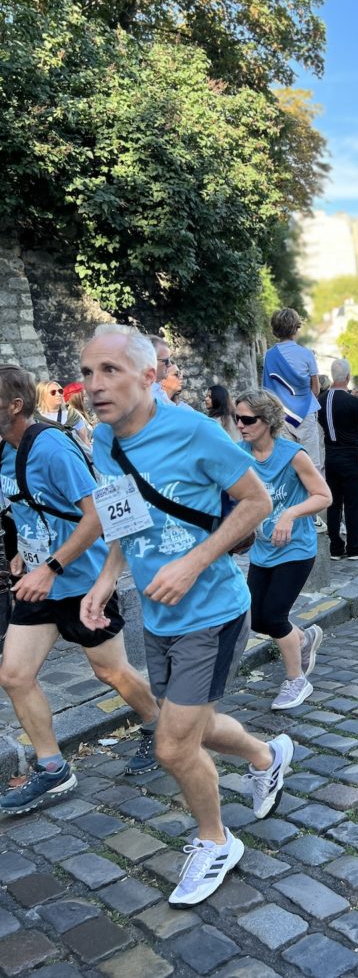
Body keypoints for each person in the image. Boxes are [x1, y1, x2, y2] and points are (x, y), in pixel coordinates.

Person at [79, 325, 292, 908]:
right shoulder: (102, 439)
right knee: (191, 727)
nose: (94, 385)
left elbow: (257, 502)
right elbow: (123, 513)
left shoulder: (196, 432)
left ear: (148, 376)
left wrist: (195, 562)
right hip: (156, 611)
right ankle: (266, 755)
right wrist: (104, 581)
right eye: (89, 372)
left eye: (110, 371)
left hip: (212, 611)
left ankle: (215, 841)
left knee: (173, 747)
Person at [0, 364, 160, 815]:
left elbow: (97, 516)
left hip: (79, 581)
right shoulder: (2, 452)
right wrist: (23, 555)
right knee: (13, 674)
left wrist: (50, 566)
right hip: (37, 583)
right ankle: (53, 769)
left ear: (15, 406)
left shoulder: (51, 447)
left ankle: (160, 724)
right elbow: (25, 508)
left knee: (109, 672)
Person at [236, 389, 331, 709]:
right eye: (237, 418)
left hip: (296, 550)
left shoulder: (293, 454)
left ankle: (296, 680)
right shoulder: (239, 454)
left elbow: (323, 496)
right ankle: (304, 639)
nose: (240, 425)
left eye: (248, 419)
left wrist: (290, 513)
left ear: (267, 421)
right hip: (262, 550)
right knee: (258, 620)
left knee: (275, 617)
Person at [318, 359, 358, 559]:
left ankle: (335, 547)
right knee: (353, 503)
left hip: (331, 456)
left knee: (333, 503)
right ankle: (355, 547)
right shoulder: (351, 401)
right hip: (351, 455)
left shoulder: (321, 399)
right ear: (348, 377)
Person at [262, 308, 322, 472]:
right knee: (312, 464)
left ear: (275, 329)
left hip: (281, 415)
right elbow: (315, 389)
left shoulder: (269, 355)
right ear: (296, 327)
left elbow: (267, 390)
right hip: (306, 413)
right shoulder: (307, 354)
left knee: (286, 463)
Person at [36, 380, 92, 450]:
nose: (58, 394)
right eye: (53, 392)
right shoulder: (35, 418)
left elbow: (85, 441)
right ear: (42, 396)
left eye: (60, 391)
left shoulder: (72, 414)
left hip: (74, 456)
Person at [146, 335, 174, 406]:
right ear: (150, 361)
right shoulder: (145, 394)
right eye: (166, 360)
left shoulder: (157, 388)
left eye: (170, 360)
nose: (170, 365)